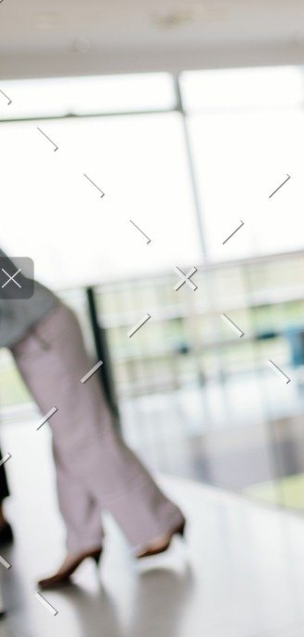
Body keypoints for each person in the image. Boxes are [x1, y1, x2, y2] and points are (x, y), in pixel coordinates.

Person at [0, 248, 186, 589]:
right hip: (34, 338)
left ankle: (161, 521)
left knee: (83, 438)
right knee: (70, 440)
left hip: (42, 334)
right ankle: (82, 541)